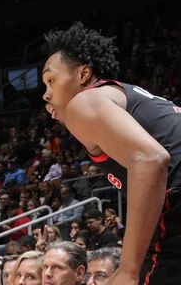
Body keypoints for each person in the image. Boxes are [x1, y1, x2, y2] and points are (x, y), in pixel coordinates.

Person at [42, 22, 181, 284]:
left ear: (83, 74)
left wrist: (128, 270)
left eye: (51, 80)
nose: (46, 94)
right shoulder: (127, 97)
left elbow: (151, 158)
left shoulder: (84, 103)